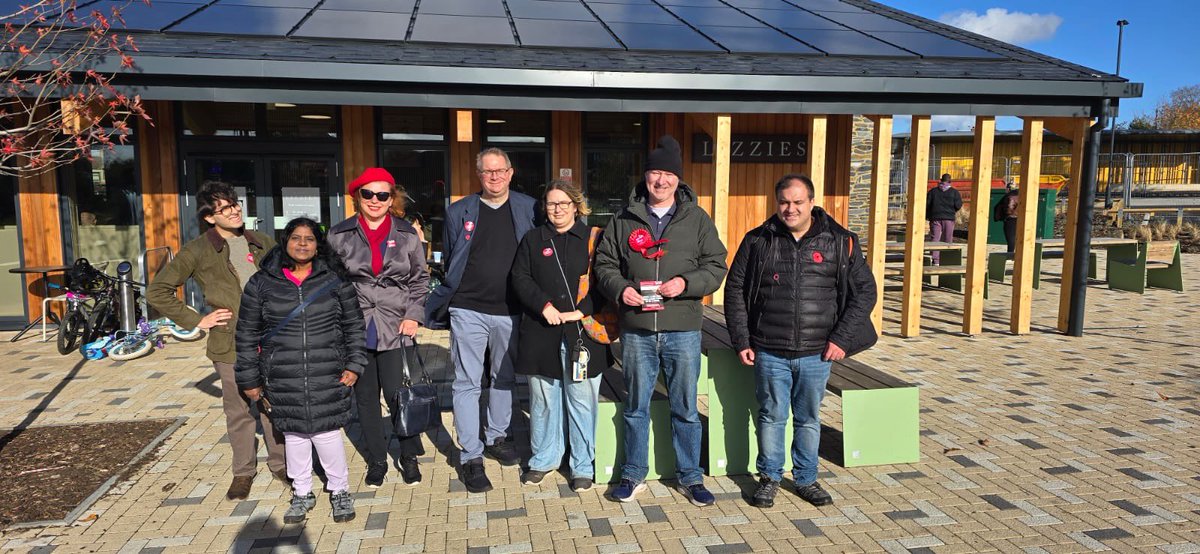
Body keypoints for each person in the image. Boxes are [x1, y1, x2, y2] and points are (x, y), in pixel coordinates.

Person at [723, 174, 878, 509]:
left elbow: (865, 293)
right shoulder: (757, 241)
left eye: (797, 202)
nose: (790, 209)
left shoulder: (840, 241)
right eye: (783, 202)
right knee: (771, 416)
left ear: (811, 202)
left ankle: (806, 479)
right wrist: (742, 339)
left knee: (808, 418)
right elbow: (734, 290)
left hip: (817, 353)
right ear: (776, 202)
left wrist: (841, 338)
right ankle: (769, 478)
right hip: (768, 349)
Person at [593, 135, 728, 506]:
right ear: (646, 176)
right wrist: (621, 289)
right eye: (655, 172)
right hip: (637, 330)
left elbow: (717, 265)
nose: (661, 180)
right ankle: (633, 474)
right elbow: (604, 263)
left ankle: (690, 476)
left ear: (678, 179)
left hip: (682, 329)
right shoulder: (623, 218)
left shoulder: (697, 219)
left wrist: (685, 283)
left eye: (668, 173)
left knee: (684, 407)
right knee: (636, 405)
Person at [146, 180, 286, 501]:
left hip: (272, 339)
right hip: (229, 343)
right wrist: (198, 320)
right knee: (238, 410)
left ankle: (280, 463)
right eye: (225, 208)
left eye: (235, 204)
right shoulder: (197, 250)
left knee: (273, 404)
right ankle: (243, 472)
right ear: (210, 217)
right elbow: (158, 291)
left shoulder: (262, 241)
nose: (234, 211)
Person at [235, 218, 366, 524]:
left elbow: (354, 327)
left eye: (309, 239)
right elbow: (246, 333)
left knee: (327, 432)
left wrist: (354, 364)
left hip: (328, 369)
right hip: (282, 372)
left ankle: (340, 490)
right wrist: (249, 379)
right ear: (285, 242)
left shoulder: (335, 279)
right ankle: (302, 491)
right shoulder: (262, 282)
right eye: (296, 238)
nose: (303, 244)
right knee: (294, 434)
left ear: (319, 245)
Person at [425, 147, 538, 493]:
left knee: (504, 377)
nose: (494, 177)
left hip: (511, 309)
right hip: (468, 308)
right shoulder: (459, 211)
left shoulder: (529, 207)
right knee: (467, 382)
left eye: (500, 171)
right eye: (487, 172)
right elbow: (453, 260)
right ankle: (471, 455)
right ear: (479, 175)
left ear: (510, 172)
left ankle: (497, 436)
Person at [328, 168, 431, 487]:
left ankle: (408, 455)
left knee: (400, 394)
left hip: (396, 323)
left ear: (391, 199)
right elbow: (330, 282)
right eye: (367, 194)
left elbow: (420, 279)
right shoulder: (338, 234)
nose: (375, 200)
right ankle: (376, 459)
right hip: (355, 325)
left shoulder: (407, 233)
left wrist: (414, 314)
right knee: (365, 398)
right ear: (356, 197)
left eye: (382, 195)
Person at [510, 180, 614, 493]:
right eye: (551, 203)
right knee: (543, 400)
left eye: (563, 203)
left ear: (576, 206)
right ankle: (543, 459)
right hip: (542, 331)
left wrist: (582, 310)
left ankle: (582, 465)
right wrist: (543, 305)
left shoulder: (594, 238)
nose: (557, 209)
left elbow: (605, 280)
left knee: (581, 402)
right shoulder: (533, 239)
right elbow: (520, 277)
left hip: (582, 334)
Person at [926, 173, 963, 264]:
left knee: (935, 238)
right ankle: (946, 258)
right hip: (949, 218)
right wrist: (952, 210)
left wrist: (928, 215)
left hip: (935, 217)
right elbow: (958, 205)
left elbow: (927, 204)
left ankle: (935, 260)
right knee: (947, 238)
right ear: (950, 182)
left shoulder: (933, 191)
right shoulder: (954, 192)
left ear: (940, 180)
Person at [1002, 183, 1020, 253]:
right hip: (1019, 218)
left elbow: (1009, 208)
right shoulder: (1021, 196)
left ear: (1008, 189)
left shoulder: (1010, 197)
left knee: (1010, 238)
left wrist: (1004, 212)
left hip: (1011, 219)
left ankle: (1010, 253)